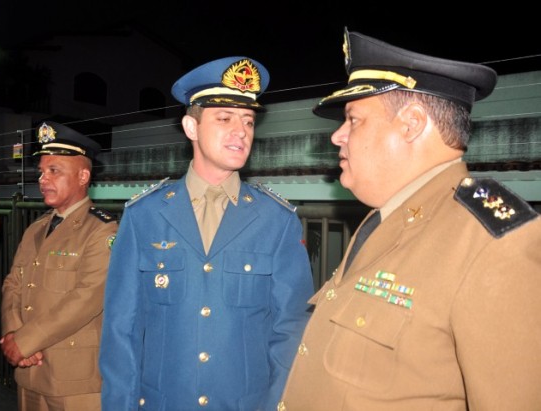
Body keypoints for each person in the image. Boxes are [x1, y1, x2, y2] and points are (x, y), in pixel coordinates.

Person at [278, 28, 541, 410]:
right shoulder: (385, 217)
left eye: (353, 120)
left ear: (412, 124)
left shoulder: (494, 246)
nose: (337, 136)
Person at [99, 56, 315, 411]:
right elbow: (121, 330)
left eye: (248, 120)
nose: (241, 130)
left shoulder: (276, 221)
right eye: (225, 118)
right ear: (191, 127)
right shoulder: (144, 216)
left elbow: (290, 331)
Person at [0, 121, 118, 411]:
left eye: (54, 170)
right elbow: (13, 283)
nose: (43, 179)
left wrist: (25, 342)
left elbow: (87, 298)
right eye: (42, 171)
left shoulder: (102, 230)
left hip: (72, 377)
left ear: (83, 176)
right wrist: (13, 334)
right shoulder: (36, 228)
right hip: (29, 369)